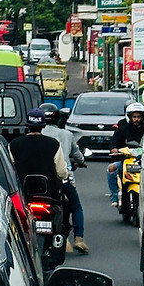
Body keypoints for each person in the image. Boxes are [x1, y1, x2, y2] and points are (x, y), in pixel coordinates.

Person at [47, 109, 90, 255]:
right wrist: (81, 162)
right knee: (76, 207)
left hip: (41, 182)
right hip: (64, 178)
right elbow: (77, 155)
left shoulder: (38, 135)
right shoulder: (67, 135)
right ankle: (79, 238)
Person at [8, 107, 69, 206]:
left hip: (22, 194)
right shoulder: (54, 144)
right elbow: (61, 172)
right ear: (43, 125)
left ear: (27, 125)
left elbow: (10, 170)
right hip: (49, 194)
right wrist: (65, 176)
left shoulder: (14, 144)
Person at [108, 101, 144, 207]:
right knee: (111, 168)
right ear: (130, 117)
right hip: (125, 160)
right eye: (134, 117)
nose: (136, 119)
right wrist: (114, 149)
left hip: (143, 161)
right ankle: (115, 195)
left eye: (139, 117)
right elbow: (113, 143)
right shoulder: (122, 130)